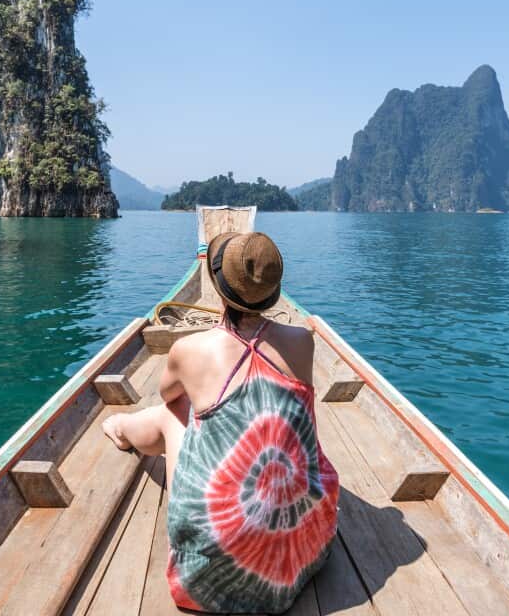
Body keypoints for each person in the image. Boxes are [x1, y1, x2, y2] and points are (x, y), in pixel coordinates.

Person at [102, 231, 340, 614]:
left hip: (213, 572)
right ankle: (125, 428)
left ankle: (120, 429)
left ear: (218, 287)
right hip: (300, 549)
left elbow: (168, 396)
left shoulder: (190, 350)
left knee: (172, 415)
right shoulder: (302, 340)